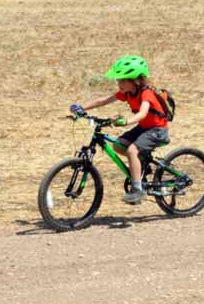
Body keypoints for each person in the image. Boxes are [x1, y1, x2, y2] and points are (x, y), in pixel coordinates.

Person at [72, 55, 170, 204]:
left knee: (132, 150)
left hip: (157, 130)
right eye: (118, 80)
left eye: (123, 80)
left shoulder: (146, 93)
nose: (119, 83)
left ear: (136, 80)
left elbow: (142, 113)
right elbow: (104, 100)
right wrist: (81, 107)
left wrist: (126, 121)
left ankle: (137, 190)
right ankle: (141, 164)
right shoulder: (127, 93)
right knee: (118, 145)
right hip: (144, 128)